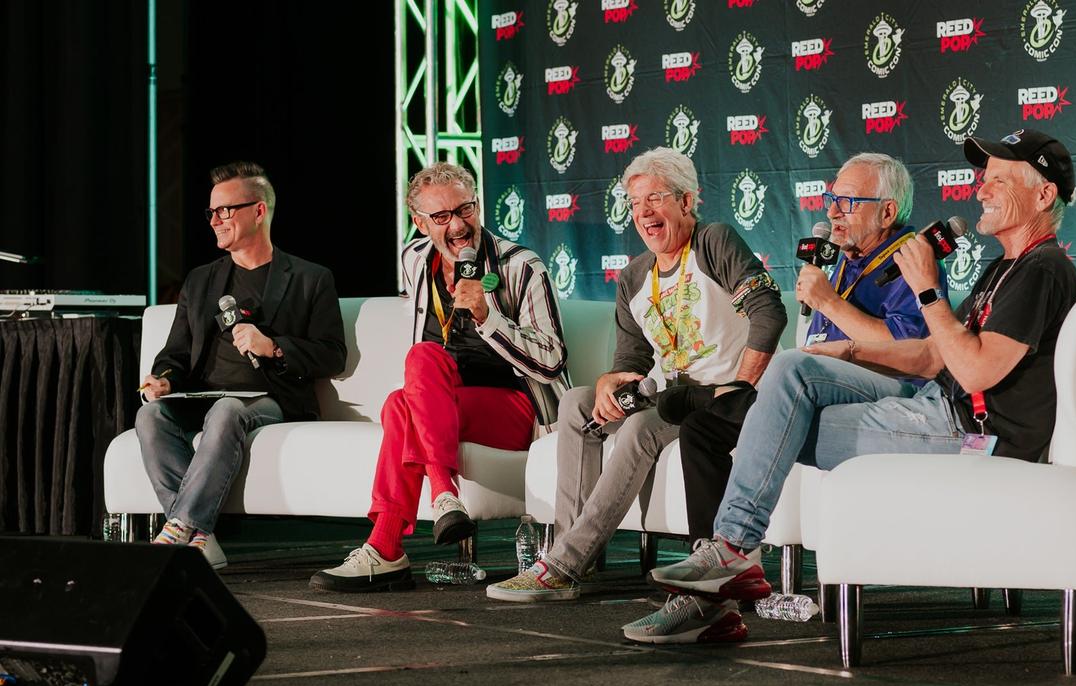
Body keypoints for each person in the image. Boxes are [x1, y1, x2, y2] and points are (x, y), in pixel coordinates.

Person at [630, 128, 1076, 643]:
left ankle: (727, 559)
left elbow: (977, 372)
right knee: (789, 375)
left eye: (998, 180)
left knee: (763, 423)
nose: (980, 189)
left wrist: (927, 289)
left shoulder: (1042, 269)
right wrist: (846, 351)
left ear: (1043, 195)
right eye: (984, 178)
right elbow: (932, 355)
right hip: (936, 405)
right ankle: (725, 565)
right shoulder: (1008, 267)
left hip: (969, 431)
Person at [486, 147, 787, 608]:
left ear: (686, 202)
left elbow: (768, 312)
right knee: (577, 403)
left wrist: (741, 387)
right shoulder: (633, 276)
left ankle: (563, 565)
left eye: (655, 199)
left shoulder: (714, 242)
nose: (643, 212)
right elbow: (632, 359)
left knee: (644, 426)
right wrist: (610, 383)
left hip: (726, 398)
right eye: (634, 203)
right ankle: (570, 553)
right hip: (672, 396)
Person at [311, 162, 569, 592]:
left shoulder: (522, 266)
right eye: (442, 216)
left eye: (465, 209)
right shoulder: (414, 260)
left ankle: (390, 544)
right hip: (444, 401)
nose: (458, 226)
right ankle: (431, 508)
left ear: (477, 205)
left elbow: (552, 360)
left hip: (516, 407)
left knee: (406, 394)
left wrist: (488, 317)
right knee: (411, 382)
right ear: (420, 223)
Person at [675, 152, 941, 546]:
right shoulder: (845, 258)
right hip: (822, 382)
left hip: (891, 387)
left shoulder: (910, 259)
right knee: (702, 429)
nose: (833, 212)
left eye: (847, 202)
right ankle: (710, 552)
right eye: (831, 199)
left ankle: (734, 542)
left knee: (790, 370)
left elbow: (912, 352)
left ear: (887, 212)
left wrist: (830, 303)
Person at [138, 161, 346, 569]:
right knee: (150, 415)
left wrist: (274, 347)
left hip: (271, 397)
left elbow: (331, 353)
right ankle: (201, 537)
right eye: (211, 212)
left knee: (227, 409)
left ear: (259, 211)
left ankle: (181, 525)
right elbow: (175, 353)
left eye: (224, 210)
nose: (214, 221)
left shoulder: (310, 278)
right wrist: (163, 380)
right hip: (202, 395)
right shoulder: (200, 281)